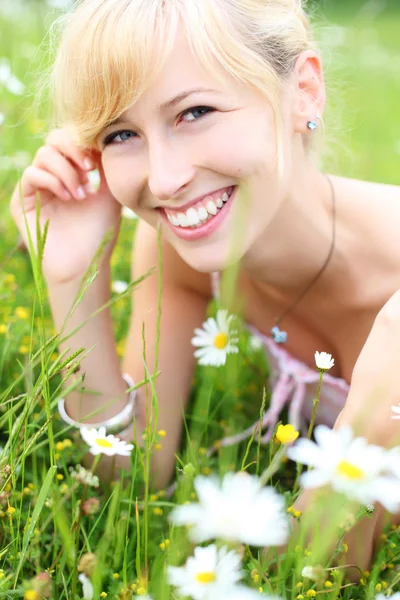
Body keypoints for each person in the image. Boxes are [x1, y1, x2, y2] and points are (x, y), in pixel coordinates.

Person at [9, 0, 400, 578]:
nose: (165, 179)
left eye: (195, 112)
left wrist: (376, 413)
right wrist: (71, 279)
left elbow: (321, 572)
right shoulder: (178, 253)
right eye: (121, 133)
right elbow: (133, 475)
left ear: (304, 93)